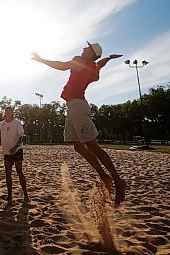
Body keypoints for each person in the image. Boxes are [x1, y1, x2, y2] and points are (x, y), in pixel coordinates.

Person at [32, 42, 127, 206]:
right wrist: (108, 58)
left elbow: (62, 66)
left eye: (87, 48)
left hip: (77, 106)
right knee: (78, 145)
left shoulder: (80, 61)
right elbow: (99, 64)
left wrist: (41, 60)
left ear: (91, 53)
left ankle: (118, 181)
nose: (83, 48)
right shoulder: (92, 68)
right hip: (73, 106)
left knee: (93, 146)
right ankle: (104, 176)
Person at [0, 106, 29, 206]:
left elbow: (21, 137)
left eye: (10, 111)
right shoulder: (0, 124)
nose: (9, 112)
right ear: (5, 113)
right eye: (7, 111)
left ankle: (26, 194)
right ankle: (10, 195)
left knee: (19, 172)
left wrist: (15, 147)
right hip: (7, 151)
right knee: (8, 173)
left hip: (17, 150)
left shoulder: (17, 123)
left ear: (12, 113)